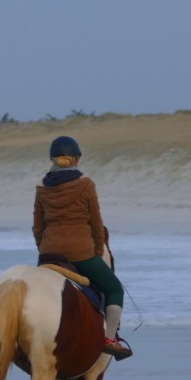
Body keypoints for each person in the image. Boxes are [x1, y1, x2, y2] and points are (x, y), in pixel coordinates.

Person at [32, 135, 132, 360]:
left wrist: (44, 250)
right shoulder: (86, 184)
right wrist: (96, 251)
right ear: (76, 159)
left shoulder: (42, 187)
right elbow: (96, 223)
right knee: (114, 288)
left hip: (49, 253)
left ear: (53, 159)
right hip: (81, 254)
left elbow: (38, 227)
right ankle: (109, 339)